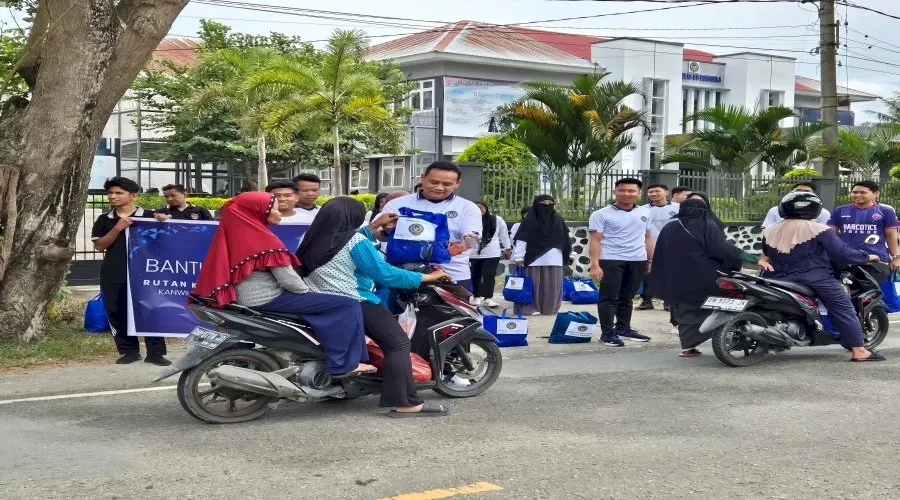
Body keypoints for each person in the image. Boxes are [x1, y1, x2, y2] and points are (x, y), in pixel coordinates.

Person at [191, 192, 375, 377]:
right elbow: (289, 281)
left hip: (241, 299)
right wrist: (308, 291)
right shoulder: (264, 240)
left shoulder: (234, 234)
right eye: (275, 209)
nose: (280, 213)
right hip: (268, 298)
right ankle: (344, 364)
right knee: (347, 304)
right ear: (260, 212)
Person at [296, 197, 452, 416]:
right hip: (356, 300)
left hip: (319, 301)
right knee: (397, 344)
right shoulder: (356, 242)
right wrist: (426, 277)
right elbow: (384, 273)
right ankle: (405, 403)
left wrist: (375, 226)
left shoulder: (310, 237)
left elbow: (340, 246)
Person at [758, 192, 884, 362]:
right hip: (813, 277)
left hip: (777, 278)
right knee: (844, 307)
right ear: (814, 209)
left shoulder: (770, 230)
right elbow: (842, 253)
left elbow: (766, 254)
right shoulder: (819, 229)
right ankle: (859, 351)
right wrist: (867, 257)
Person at [651, 198, 753, 357]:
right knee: (716, 305)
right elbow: (720, 248)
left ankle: (688, 347)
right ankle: (728, 337)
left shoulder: (669, 227)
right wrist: (745, 259)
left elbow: (661, 253)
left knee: (685, 310)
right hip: (704, 277)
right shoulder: (707, 225)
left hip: (676, 278)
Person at [91, 177, 169, 365]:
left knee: (151, 310)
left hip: (147, 273)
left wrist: (165, 222)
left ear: (133, 196)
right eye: (110, 193)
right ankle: (129, 351)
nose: (113, 196)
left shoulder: (151, 216)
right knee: (117, 311)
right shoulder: (104, 219)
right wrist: (118, 228)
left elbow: (167, 241)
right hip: (114, 272)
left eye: (119, 193)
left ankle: (156, 353)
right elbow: (100, 246)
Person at [379, 161, 482, 290]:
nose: (439, 187)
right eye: (434, 182)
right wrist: (385, 230)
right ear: (423, 178)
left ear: (457, 183)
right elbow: (377, 233)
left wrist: (462, 245)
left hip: (451, 276)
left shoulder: (468, 208)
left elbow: (474, 239)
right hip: (403, 275)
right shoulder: (397, 204)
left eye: (447, 184)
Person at [589, 178, 653, 346]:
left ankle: (623, 328)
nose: (627, 194)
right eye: (622, 190)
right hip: (611, 259)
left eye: (631, 191)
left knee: (627, 297)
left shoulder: (645, 212)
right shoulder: (601, 214)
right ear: (615, 192)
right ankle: (607, 333)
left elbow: (647, 237)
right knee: (609, 297)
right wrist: (595, 264)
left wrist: (650, 259)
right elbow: (595, 240)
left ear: (639, 193)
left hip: (638, 259)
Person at [512, 195, 572, 316]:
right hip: (533, 257)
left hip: (554, 257)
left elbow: (566, 238)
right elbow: (522, 238)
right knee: (532, 284)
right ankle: (529, 308)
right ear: (536, 205)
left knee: (552, 285)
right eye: (543, 202)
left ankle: (549, 308)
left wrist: (570, 253)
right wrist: (518, 256)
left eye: (550, 202)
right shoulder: (529, 220)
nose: (547, 205)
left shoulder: (558, 219)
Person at [828, 180, 900, 270]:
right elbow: (829, 234)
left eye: (863, 192)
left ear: (876, 194)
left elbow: (891, 236)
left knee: (882, 280)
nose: (857, 195)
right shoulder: (839, 210)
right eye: (855, 192)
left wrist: (896, 257)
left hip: (877, 259)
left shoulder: (886, 211)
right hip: (845, 258)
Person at [636, 184, 680, 310]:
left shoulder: (678, 208)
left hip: (672, 246)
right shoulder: (642, 209)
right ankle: (646, 300)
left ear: (666, 192)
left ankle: (668, 301)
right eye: (650, 191)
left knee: (670, 273)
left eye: (657, 191)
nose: (653, 194)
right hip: (649, 245)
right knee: (647, 273)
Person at [469, 201, 511, 307]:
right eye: (476, 207)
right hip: (473, 252)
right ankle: (476, 296)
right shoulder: (468, 219)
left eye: (481, 207)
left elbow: (504, 234)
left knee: (489, 275)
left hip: (492, 252)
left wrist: (507, 247)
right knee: (475, 275)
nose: (479, 210)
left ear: (486, 208)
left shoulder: (496, 219)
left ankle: (488, 298)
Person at [761, 181, 830, 228]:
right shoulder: (775, 210)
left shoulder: (823, 213)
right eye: (798, 191)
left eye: (807, 191)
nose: (801, 194)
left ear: (814, 194)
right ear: (792, 192)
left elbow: (824, 232)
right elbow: (766, 229)